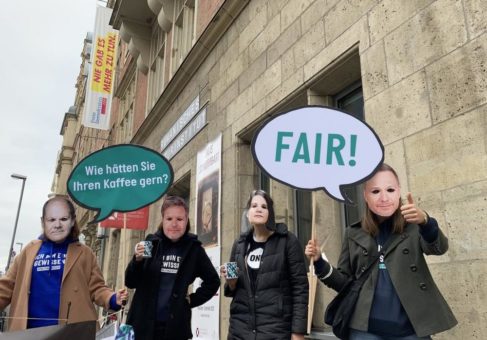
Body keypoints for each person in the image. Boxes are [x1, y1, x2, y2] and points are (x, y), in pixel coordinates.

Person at [305, 163, 457, 339]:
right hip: (365, 331)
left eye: (390, 190)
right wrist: (319, 262)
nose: (384, 198)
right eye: (375, 191)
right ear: (366, 196)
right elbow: (344, 284)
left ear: (399, 191)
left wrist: (426, 222)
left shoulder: (414, 226)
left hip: (411, 330)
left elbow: (439, 248)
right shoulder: (353, 233)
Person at [0, 196, 127, 331]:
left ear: (72, 221)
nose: (57, 224)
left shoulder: (85, 253)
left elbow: (97, 288)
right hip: (28, 333)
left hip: (71, 332)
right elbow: (6, 287)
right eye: (51, 220)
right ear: (43, 222)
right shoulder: (29, 251)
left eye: (64, 219)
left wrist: (113, 298)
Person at [125, 196, 220, 340]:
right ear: (162, 220)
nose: (174, 224)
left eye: (179, 219)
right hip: (142, 326)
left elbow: (213, 281)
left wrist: (191, 300)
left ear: (186, 220)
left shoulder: (194, 249)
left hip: (175, 329)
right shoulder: (151, 243)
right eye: (169, 219)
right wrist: (136, 261)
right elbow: (130, 282)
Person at [221, 189, 308, 340]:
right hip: (240, 330)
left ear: (270, 213)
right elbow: (232, 290)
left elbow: (300, 287)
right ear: (248, 214)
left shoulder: (287, 241)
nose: (259, 209)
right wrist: (231, 283)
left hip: (275, 330)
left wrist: (298, 332)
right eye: (254, 206)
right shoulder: (239, 244)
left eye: (264, 206)